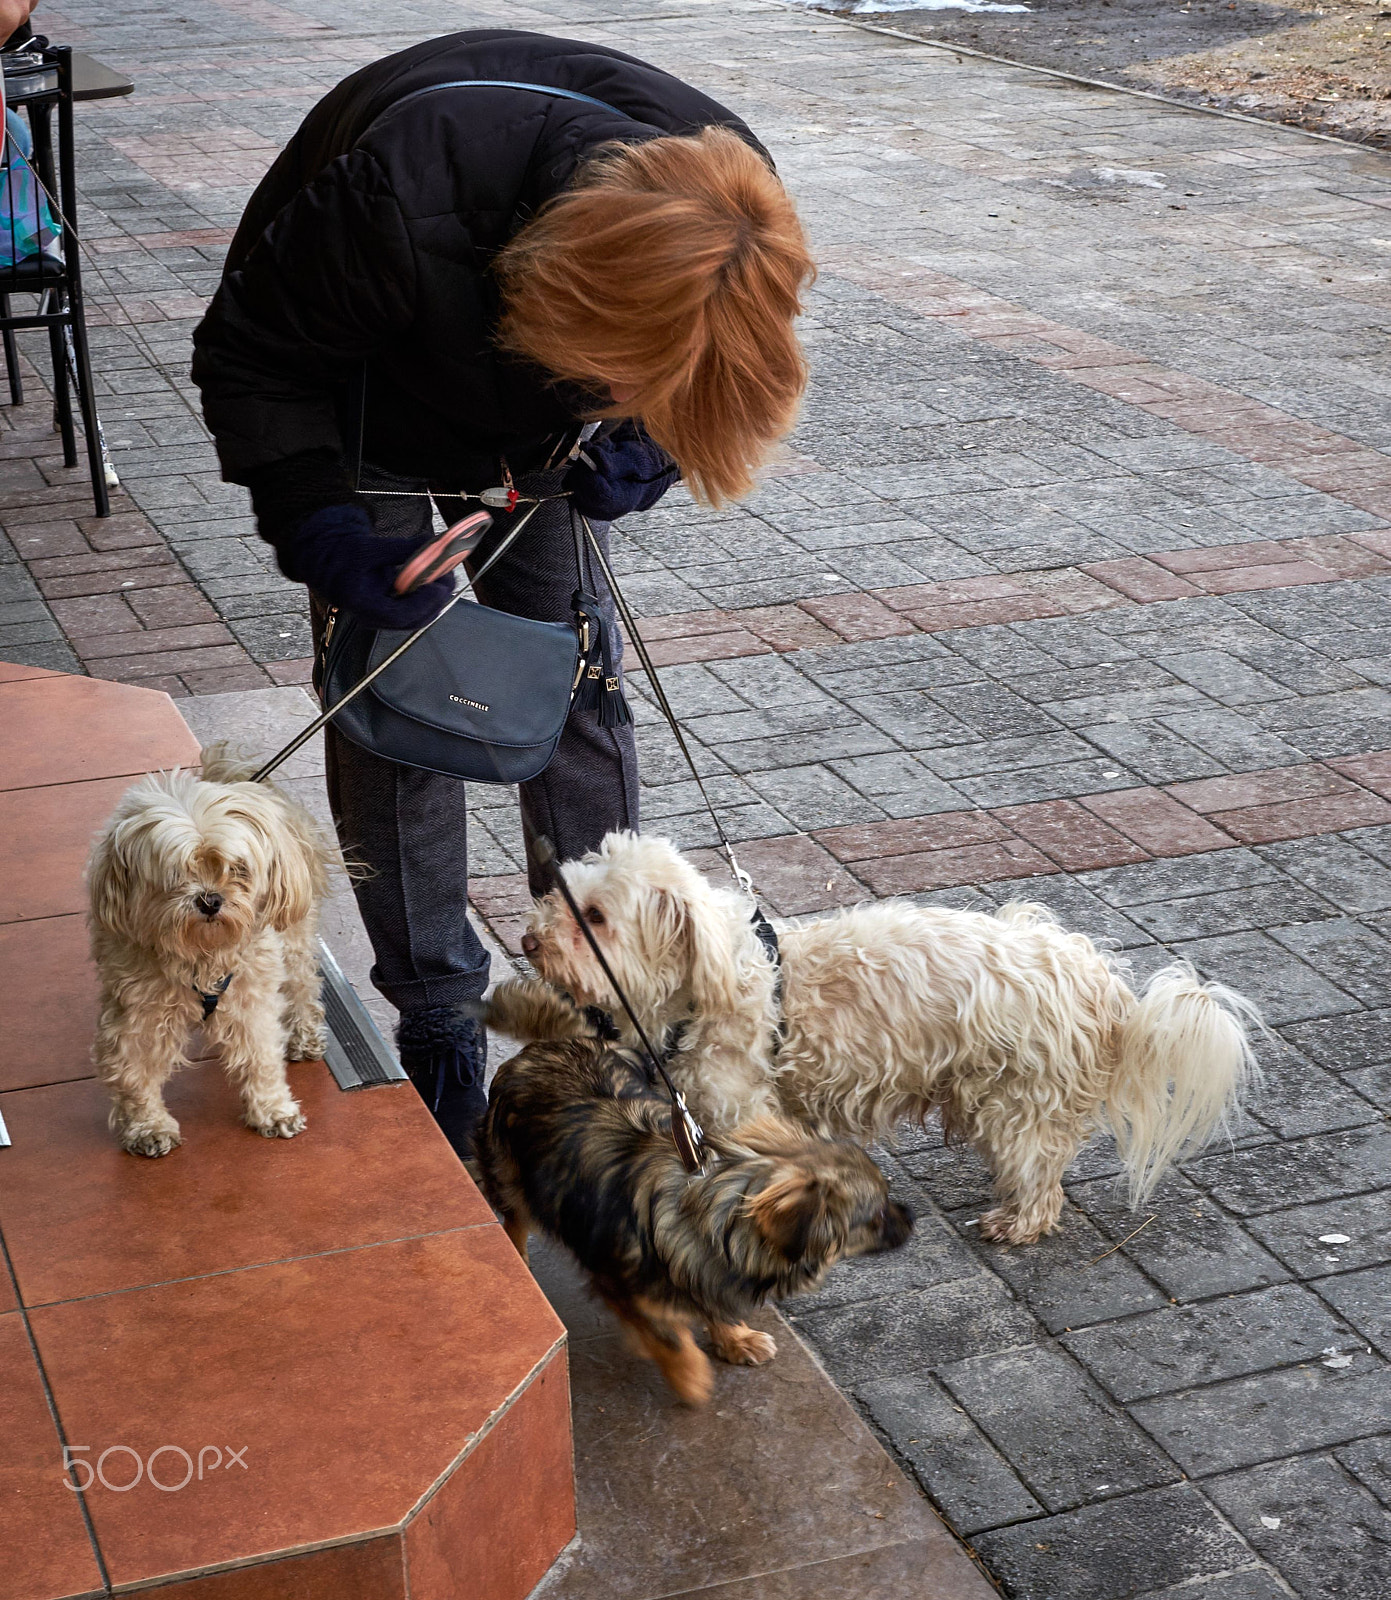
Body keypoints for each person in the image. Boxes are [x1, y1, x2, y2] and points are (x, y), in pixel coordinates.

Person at [192, 29, 814, 1161]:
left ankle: (607, 999)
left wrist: (634, 448)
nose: (639, 399)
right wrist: (325, 531)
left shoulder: (733, 224)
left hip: (538, 414)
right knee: (397, 701)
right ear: (567, 302)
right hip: (368, 404)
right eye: (626, 386)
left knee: (568, 680)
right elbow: (252, 358)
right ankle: (436, 1021)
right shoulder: (394, 192)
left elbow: (707, 383)